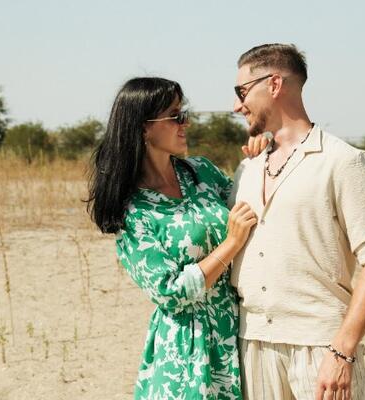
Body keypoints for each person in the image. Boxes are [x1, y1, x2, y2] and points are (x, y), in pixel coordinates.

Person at [229, 44, 365, 400]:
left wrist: (342, 350)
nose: (236, 105)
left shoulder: (344, 161)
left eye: (242, 92)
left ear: (274, 84)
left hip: (322, 346)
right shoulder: (247, 168)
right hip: (253, 345)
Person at [86, 77, 264, 399]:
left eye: (185, 113)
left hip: (238, 332)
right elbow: (169, 292)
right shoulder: (133, 211)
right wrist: (230, 245)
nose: (186, 123)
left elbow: (247, 206)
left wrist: (259, 159)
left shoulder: (201, 172)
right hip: (188, 351)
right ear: (144, 127)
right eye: (176, 116)